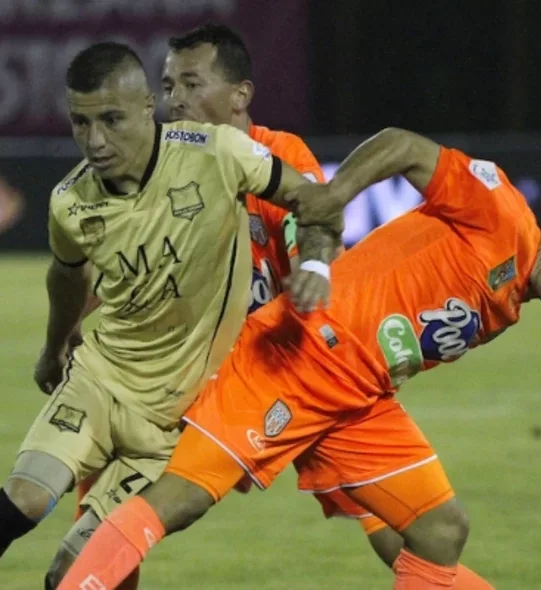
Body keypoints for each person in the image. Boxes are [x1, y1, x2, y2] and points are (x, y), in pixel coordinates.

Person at [57, 127, 541, 590]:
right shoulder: (503, 215)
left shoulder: (509, 300)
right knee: (179, 502)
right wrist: (334, 195)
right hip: (300, 359)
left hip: (359, 400)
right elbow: (402, 145)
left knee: (436, 532)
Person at [0, 41, 341, 589]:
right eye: (80, 123)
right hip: (99, 383)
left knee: (75, 573)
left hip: (176, 424)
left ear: (146, 107)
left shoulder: (219, 155)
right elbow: (66, 277)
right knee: (24, 499)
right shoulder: (70, 201)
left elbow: (317, 200)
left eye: (110, 119)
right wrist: (54, 345)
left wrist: (317, 266)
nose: (94, 141)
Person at [46, 24, 329, 590]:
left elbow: (309, 220)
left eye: (192, 84)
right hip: (173, 375)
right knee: (96, 545)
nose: (176, 99)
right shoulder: (162, 163)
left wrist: (312, 267)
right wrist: (77, 324)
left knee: (411, 520)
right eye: (169, 84)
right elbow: (132, 271)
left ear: (239, 95)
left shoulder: (278, 156)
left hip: (272, 369)